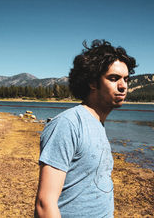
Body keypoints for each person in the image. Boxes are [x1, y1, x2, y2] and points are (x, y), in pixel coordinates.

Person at [35, 40, 137, 217]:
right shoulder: (68, 124)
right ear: (92, 82)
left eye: (126, 79)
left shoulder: (96, 123)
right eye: (113, 78)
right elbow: (45, 204)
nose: (123, 86)